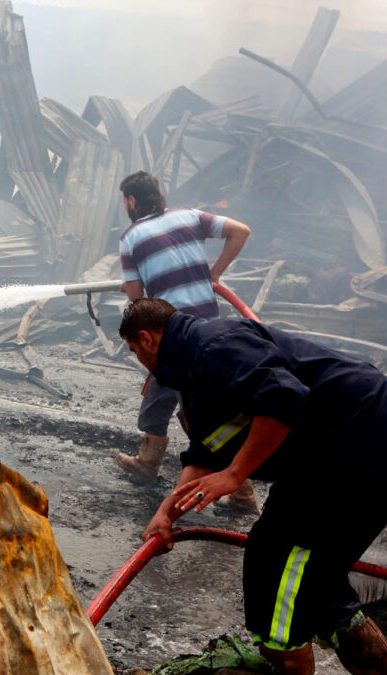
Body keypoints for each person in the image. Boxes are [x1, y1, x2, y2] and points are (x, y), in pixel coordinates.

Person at [120, 298, 387, 674]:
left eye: (135, 351)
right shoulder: (196, 368)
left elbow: (283, 395)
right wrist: (166, 511)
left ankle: (284, 660)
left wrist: (235, 474)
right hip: (353, 447)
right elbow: (207, 450)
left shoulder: (212, 344)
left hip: (363, 441)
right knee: (316, 579)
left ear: (147, 339)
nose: (139, 362)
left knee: (278, 561)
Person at [114, 171, 256, 511]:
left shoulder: (130, 237)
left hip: (173, 334)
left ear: (132, 201)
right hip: (209, 329)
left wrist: (129, 287)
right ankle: (148, 461)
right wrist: (215, 271)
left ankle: (241, 492)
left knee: (199, 410)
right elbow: (241, 231)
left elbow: (137, 300)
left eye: (125, 201)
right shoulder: (191, 217)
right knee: (164, 393)